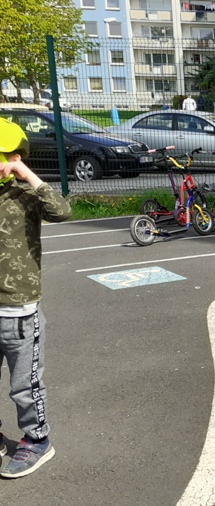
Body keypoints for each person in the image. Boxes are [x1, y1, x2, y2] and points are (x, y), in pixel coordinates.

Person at [0, 118, 71, 478]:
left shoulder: (26, 195)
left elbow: (62, 211)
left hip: (18, 309)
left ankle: (37, 439)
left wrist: (27, 175)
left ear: (13, 158)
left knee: (24, 386)